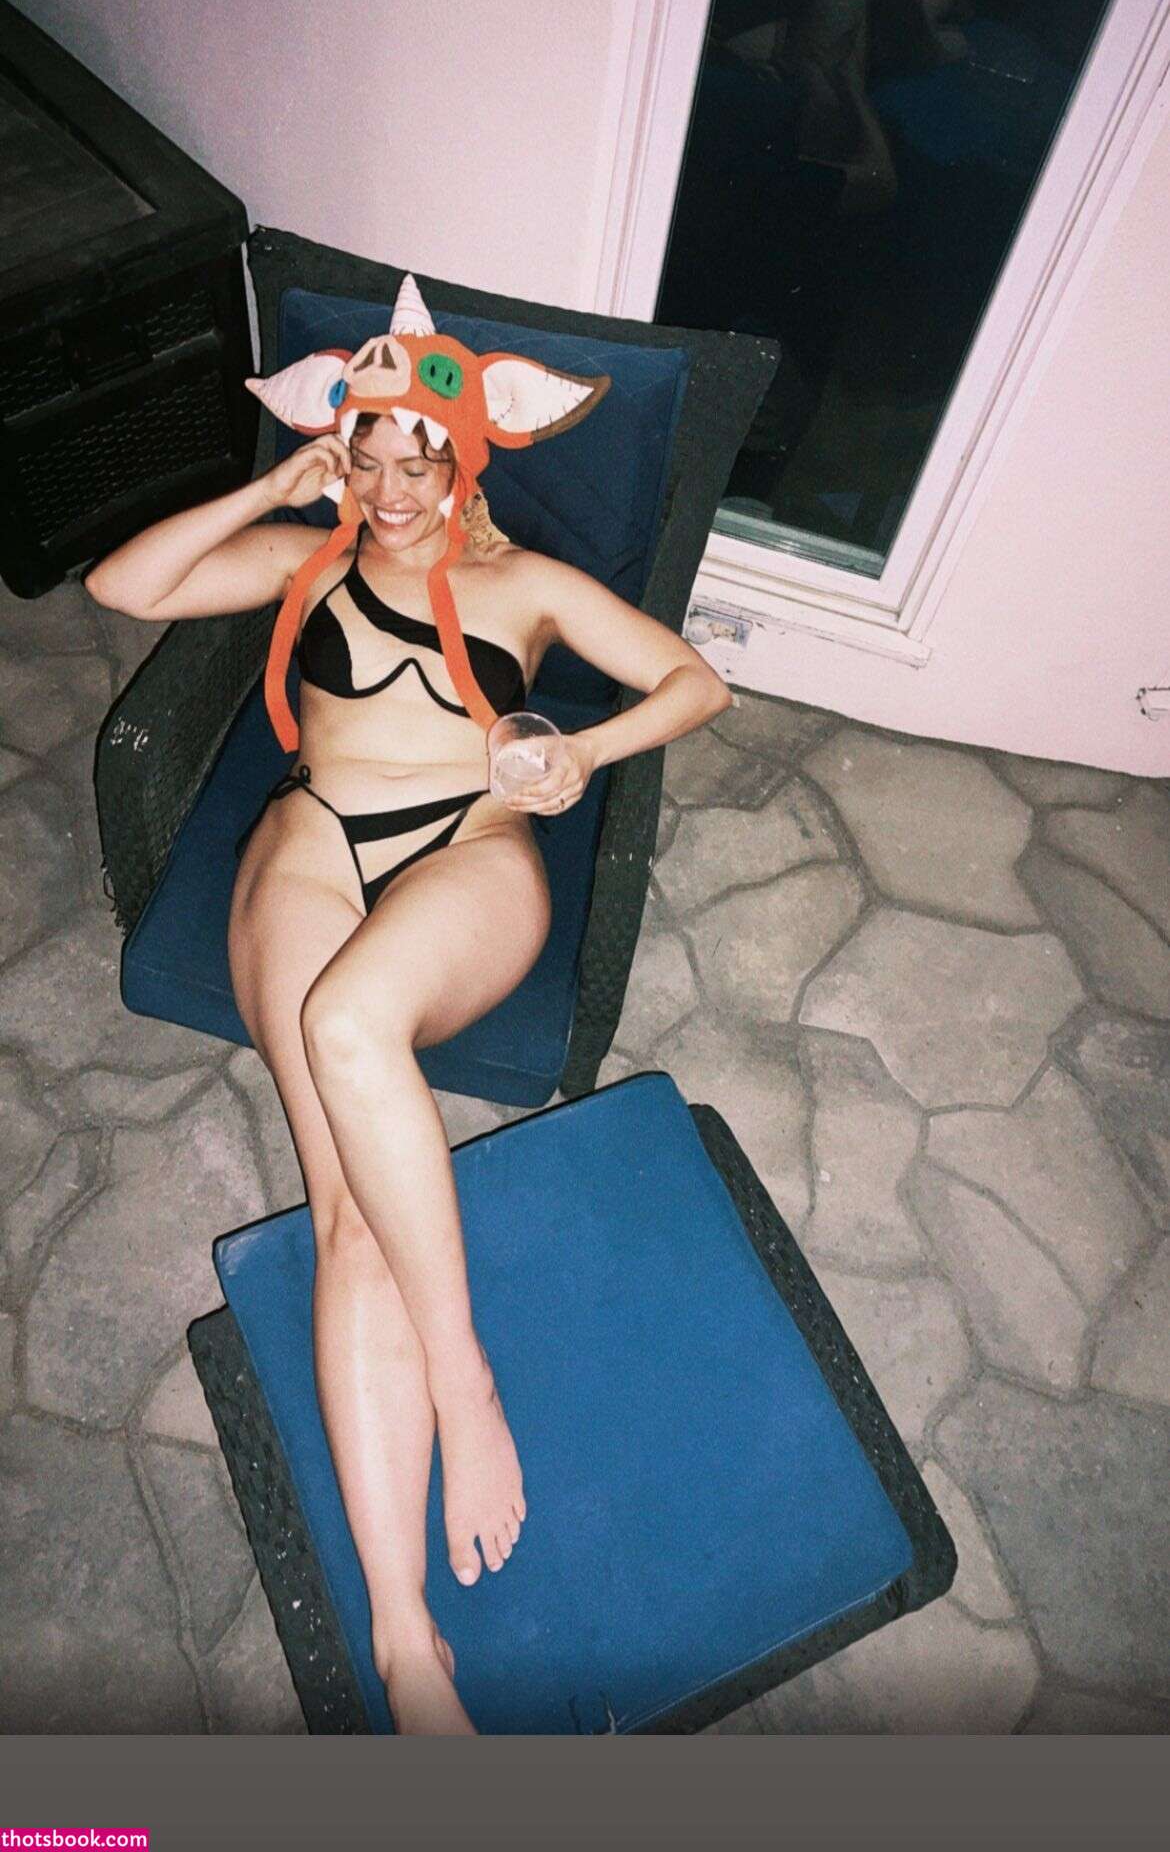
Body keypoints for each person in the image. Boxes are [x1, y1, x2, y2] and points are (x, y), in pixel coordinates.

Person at [84, 273, 733, 1735]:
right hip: (313, 840)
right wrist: (279, 486)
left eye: (415, 462)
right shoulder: (304, 560)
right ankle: (402, 1644)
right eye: (365, 457)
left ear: (465, 464)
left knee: (350, 1025)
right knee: (347, 1222)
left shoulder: (528, 587)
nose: (387, 490)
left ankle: (464, 1381)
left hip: (471, 847)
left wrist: (582, 755)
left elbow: (694, 685)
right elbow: (125, 587)